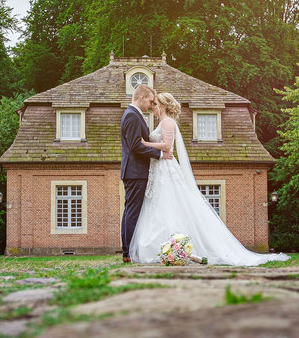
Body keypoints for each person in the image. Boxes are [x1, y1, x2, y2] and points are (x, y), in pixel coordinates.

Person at [129, 92, 289, 266]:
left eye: (155, 104)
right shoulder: (162, 122)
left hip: (165, 169)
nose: (153, 107)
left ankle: (173, 246)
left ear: (164, 105)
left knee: (168, 203)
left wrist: (145, 144)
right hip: (158, 167)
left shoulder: (167, 122)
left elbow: (167, 146)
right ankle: (166, 247)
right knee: (159, 205)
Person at [120, 85, 173, 263]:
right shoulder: (133, 116)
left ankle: (129, 251)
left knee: (132, 211)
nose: (152, 105)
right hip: (135, 172)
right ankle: (128, 252)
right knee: (132, 212)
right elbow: (136, 146)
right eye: (150, 101)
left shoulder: (133, 115)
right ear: (141, 97)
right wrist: (159, 154)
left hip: (136, 171)